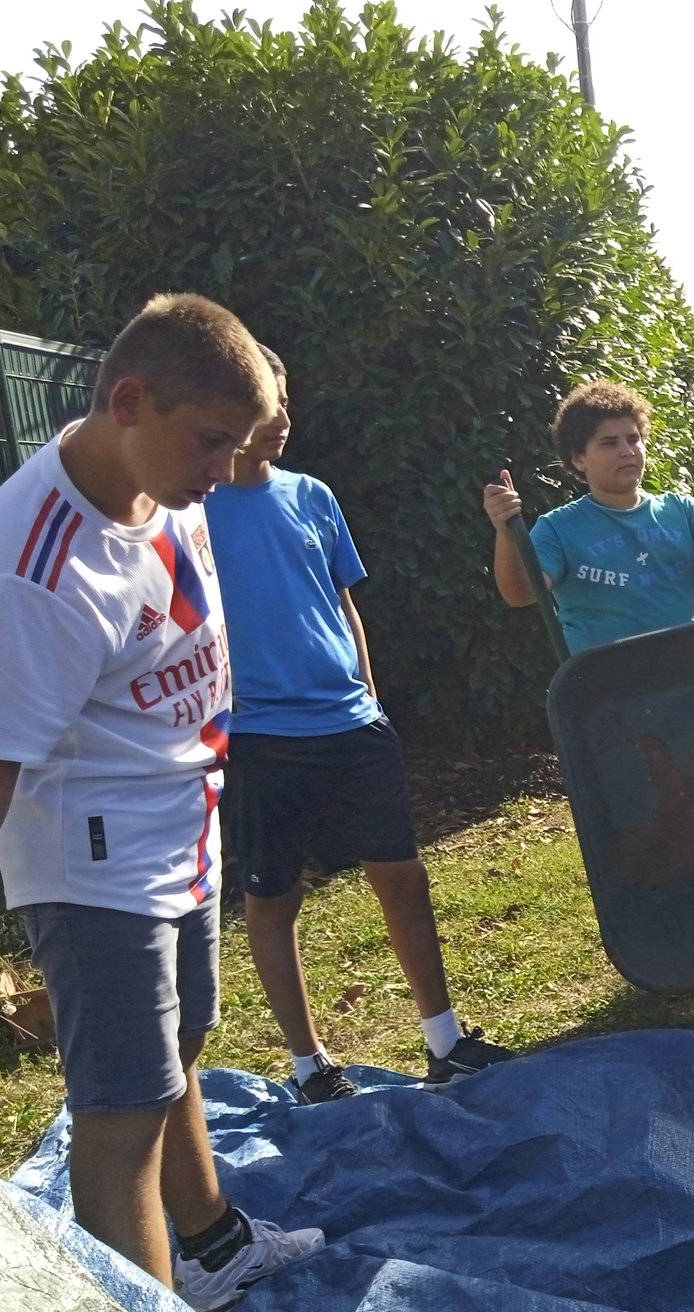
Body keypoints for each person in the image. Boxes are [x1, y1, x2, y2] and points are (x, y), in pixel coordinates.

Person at [0, 294, 322, 1312]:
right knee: (121, 1114)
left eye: (238, 445)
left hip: (182, 825)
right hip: (97, 866)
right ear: (128, 402)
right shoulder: (32, 567)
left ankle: (209, 1245)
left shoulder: (165, 478)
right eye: (212, 441)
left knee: (178, 1050)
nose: (225, 469)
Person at [204, 347, 512, 1104]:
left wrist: (369, 700)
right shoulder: (191, 509)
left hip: (350, 723)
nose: (281, 418)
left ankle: (445, 1042)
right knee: (273, 897)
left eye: (285, 401)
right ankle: (310, 1068)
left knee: (402, 875)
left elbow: (342, 601)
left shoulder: (313, 495)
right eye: (266, 404)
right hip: (260, 737)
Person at [483, 380, 694, 652]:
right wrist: (505, 531)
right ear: (579, 459)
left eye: (633, 439)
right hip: (610, 677)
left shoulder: (680, 509)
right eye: (609, 443)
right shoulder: (557, 528)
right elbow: (521, 594)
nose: (627, 451)